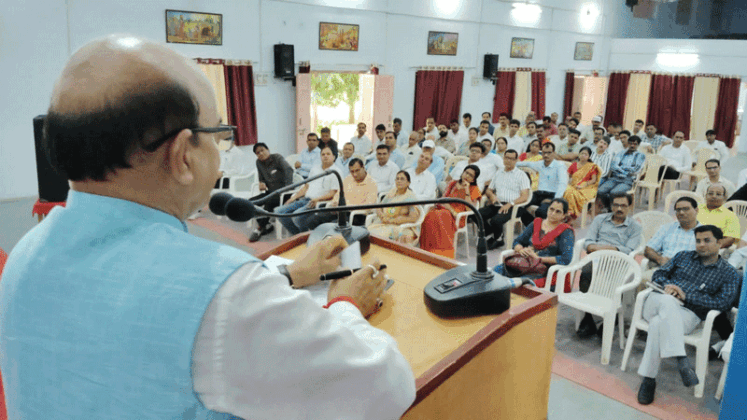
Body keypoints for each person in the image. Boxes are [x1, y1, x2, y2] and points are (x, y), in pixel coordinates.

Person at [0, 35, 415, 419]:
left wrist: (290, 274)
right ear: (182, 154)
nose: (219, 153)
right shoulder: (226, 298)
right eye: (217, 135)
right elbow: (385, 388)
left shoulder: (24, 256)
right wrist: (345, 305)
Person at [636, 225, 739, 405]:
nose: (701, 245)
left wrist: (686, 296)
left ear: (720, 243)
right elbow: (659, 273)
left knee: (657, 325)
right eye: (698, 240)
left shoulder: (729, 273)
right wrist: (669, 287)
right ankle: (681, 358)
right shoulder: (683, 256)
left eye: (707, 240)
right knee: (667, 302)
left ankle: (649, 379)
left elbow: (723, 303)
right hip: (657, 301)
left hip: (688, 314)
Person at [576, 193, 642, 338]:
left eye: (623, 205)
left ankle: (610, 319)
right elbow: (588, 242)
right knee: (586, 272)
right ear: (611, 206)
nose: (619, 208)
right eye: (616, 205)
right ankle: (588, 318)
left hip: (620, 262)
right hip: (597, 259)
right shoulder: (600, 220)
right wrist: (601, 249)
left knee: (617, 283)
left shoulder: (635, 227)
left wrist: (606, 249)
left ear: (629, 207)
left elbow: (629, 250)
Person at [492, 198, 575, 290]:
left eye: (558, 211)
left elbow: (566, 258)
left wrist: (539, 259)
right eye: (551, 209)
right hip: (524, 263)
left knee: (515, 285)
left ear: (564, 215)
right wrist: (521, 250)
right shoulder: (537, 223)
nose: (553, 213)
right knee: (492, 275)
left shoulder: (566, 232)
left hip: (544, 270)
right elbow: (517, 241)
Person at [276, 146, 341, 235]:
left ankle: (303, 237)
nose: (325, 156)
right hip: (306, 199)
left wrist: (317, 200)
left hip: (318, 203)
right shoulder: (315, 169)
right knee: (279, 212)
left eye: (328, 154)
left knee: (296, 216)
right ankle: (297, 235)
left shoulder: (336, 172)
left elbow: (333, 193)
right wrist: (293, 198)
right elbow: (306, 186)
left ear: (334, 157)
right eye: (323, 154)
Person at [420, 165, 482, 258]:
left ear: (473, 179)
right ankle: (428, 250)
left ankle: (443, 254)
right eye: (466, 172)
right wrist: (450, 209)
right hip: (445, 210)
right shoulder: (452, 183)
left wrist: (466, 190)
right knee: (431, 215)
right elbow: (443, 199)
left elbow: (470, 209)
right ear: (462, 172)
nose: (467, 175)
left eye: (470, 175)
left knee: (440, 214)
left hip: (458, 216)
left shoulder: (474, 189)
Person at [302, 158, 378, 229]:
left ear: (363, 168)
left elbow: (368, 206)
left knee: (331, 227)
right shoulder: (348, 179)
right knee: (311, 220)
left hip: (356, 215)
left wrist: (346, 206)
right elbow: (338, 195)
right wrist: (334, 203)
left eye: (357, 170)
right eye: (352, 171)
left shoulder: (372, 183)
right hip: (340, 210)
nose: (354, 174)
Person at [478, 149, 531, 250]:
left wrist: (510, 204)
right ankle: (494, 234)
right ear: (503, 158)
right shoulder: (499, 173)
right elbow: (489, 190)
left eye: (512, 159)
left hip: (514, 206)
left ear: (516, 160)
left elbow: (524, 197)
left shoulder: (521, 175)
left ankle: (498, 239)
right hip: (498, 203)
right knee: (477, 214)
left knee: (496, 220)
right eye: (507, 158)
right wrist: (492, 196)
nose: (509, 161)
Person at [249, 142, 294, 242]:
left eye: (262, 150)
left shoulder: (277, 158)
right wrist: (261, 182)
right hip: (270, 193)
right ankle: (266, 225)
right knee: (250, 203)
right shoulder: (259, 162)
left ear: (268, 150)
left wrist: (286, 189)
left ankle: (259, 229)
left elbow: (289, 170)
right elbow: (261, 176)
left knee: (269, 203)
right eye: (257, 153)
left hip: (284, 193)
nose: (260, 153)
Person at [516, 142, 569, 225]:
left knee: (541, 212)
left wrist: (555, 200)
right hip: (538, 193)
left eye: (549, 153)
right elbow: (527, 163)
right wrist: (510, 164)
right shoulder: (540, 164)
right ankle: (533, 228)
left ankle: (538, 230)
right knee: (518, 207)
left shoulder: (559, 166)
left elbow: (563, 184)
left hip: (552, 195)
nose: (546, 155)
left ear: (554, 153)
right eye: (544, 153)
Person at [644, 197, 701, 274]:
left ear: (696, 210)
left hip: (690, 273)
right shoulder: (667, 228)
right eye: (678, 210)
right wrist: (659, 259)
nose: (681, 212)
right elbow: (649, 249)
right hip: (664, 269)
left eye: (686, 209)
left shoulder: (705, 232)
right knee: (640, 281)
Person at [368, 170, 421, 245]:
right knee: (368, 233)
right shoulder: (392, 193)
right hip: (385, 222)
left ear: (408, 183)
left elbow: (413, 218)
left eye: (402, 179)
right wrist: (382, 216)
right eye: (397, 179)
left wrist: (394, 220)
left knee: (380, 236)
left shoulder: (410, 197)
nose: (399, 181)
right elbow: (379, 207)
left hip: (399, 225)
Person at [596, 135, 645, 210]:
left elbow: (635, 170)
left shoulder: (640, 156)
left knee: (614, 192)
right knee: (600, 191)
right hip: (615, 178)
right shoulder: (621, 153)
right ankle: (609, 207)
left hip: (627, 180)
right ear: (628, 143)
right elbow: (613, 166)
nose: (632, 145)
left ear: (638, 145)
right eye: (630, 143)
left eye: (635, 144)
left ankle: (612, 209)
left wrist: (620, 168)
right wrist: (625, 170)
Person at [696, 184, 740, 249]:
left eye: (718, 194)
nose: (714, 196)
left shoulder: (730, 215)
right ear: (705, 196)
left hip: (712, 250)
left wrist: (712, 247)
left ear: (724, 198)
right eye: (710, 193)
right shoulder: (696, 209)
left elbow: (730, 239)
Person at [563, 146, 601, 220]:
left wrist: (584, 185)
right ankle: (571, 212)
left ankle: (571, 213)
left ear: (589, 157)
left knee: (569, 192)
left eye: (586, 154)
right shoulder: (574, 164)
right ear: (579, 154)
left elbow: (593, 180)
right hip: (574, 186)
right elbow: (567, 176)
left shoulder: (591, 166)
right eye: (582, 153)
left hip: (586, 187)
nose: (583, 155)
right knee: (567, 190)